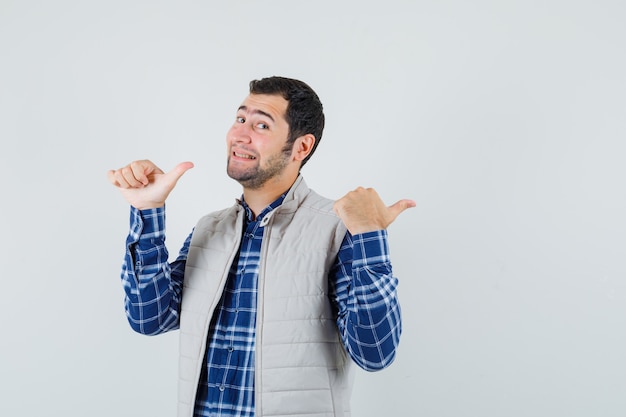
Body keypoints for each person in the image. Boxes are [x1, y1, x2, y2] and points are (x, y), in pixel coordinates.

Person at [107, 76, 415, 417]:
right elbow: (149, 318)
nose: (240, 134)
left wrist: (369, 235)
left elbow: (375, 353)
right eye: (240, 119)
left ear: (301, 147)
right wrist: (147, 212)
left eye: (261, 125)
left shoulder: (337, 228)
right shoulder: (209, 229)